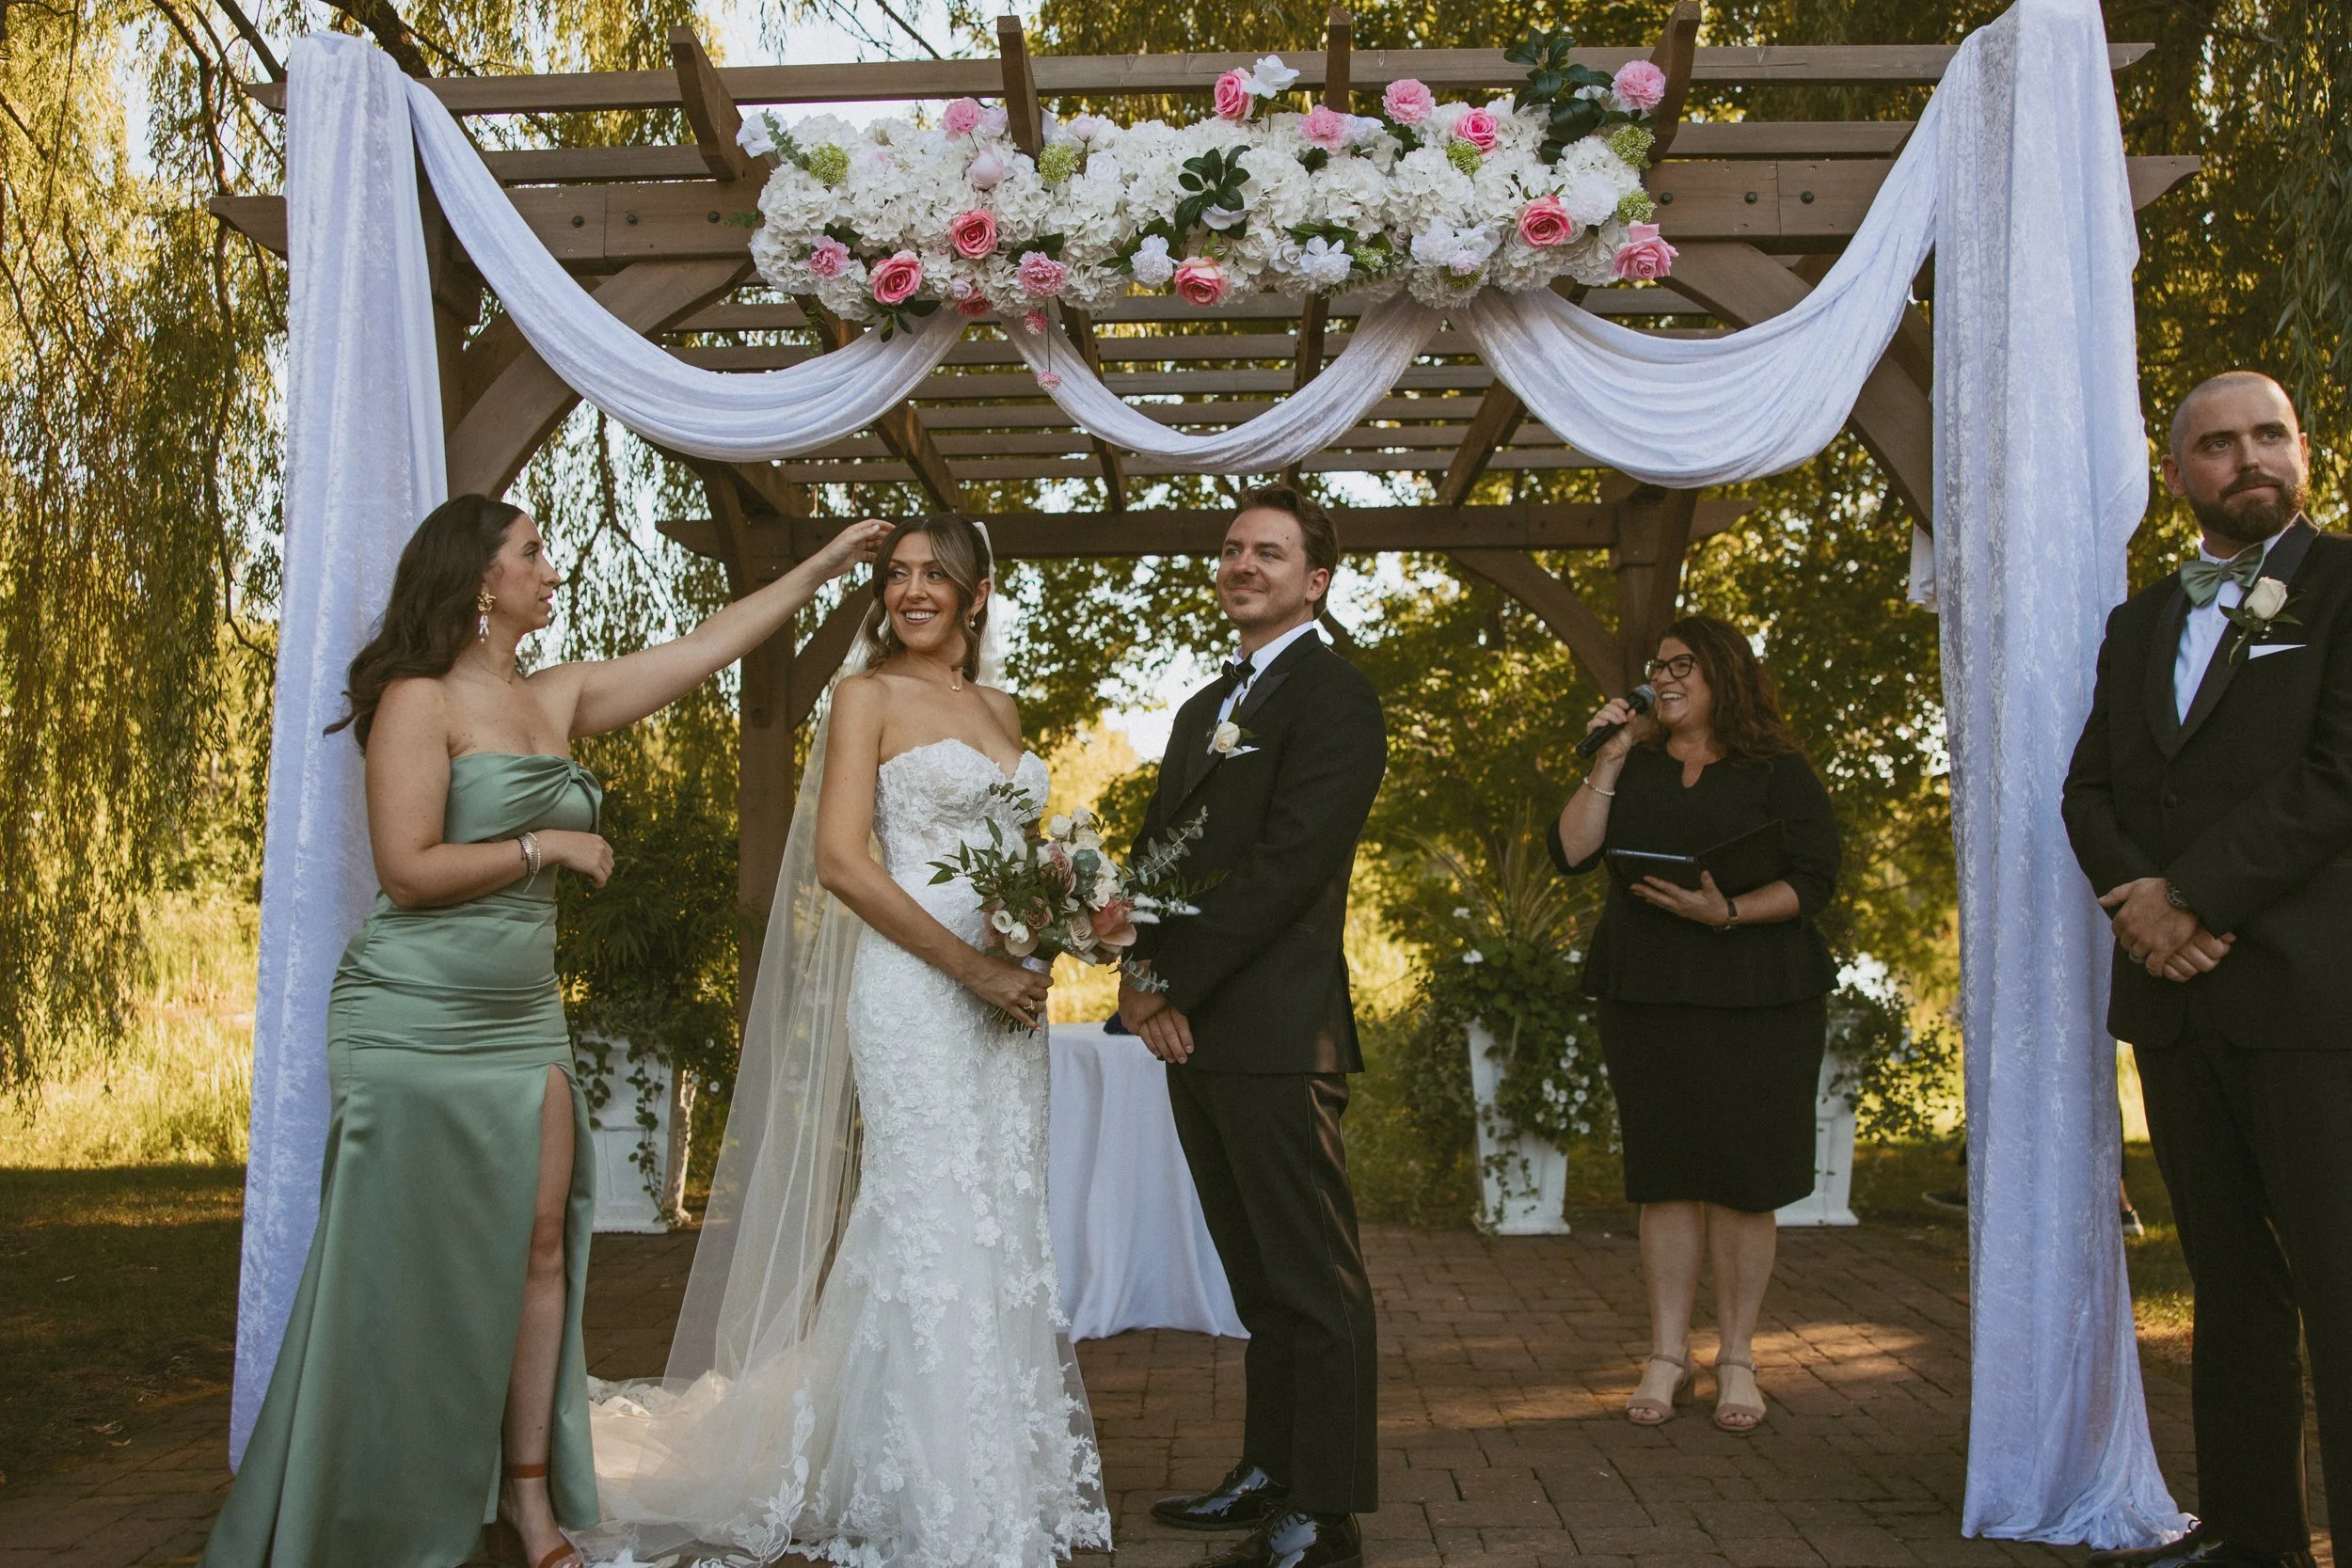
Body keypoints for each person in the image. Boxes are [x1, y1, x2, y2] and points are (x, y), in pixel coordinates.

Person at [200, 495, 889, 1568]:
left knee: (539, 1249)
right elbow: (407, 867)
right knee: (399, 1259)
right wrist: (545, 848)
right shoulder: (417, 702)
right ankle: (373, 1495)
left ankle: (527, 1500)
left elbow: (702, 646)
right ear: (481, 576)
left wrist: (825, 571)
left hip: (521, 1015)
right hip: (411, 1013)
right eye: (533, 551)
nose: (551, 567)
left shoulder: (553, 695)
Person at [584, 515, 1110, 1568]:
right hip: (920, 990)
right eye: (898, 573)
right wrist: (971, 964)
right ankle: (932, 1487)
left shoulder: (1001, 707)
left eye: (935, 573)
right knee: (928, 1212)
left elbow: (1018, 855)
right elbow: (840, 861)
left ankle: (988, 1463)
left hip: (1007, 1003)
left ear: (975, 590)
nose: (913, 588)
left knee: (998, 1218)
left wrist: (1059, 912)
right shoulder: (863, 694)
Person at [2064, 372, 2351, 1568]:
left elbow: (2333, 774)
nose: (2249, 457)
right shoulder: (2139, 622)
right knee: (2230, 1285)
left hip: (2309, 999)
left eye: (2269, 434)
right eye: (2218, 442)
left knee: (2339, 1283)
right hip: (2178, 1009)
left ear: (2303, 450)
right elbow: (2090, 787)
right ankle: (2250, 1532)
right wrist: (2144, 911)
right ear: (2174, 470)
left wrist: (2190, 896)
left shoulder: (2343, 588)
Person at [1118, 485, 1386, 1568]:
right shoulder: (1199, 708)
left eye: (1267, 552)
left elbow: (1286, 868)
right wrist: (1137, 973)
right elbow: (1152, 854)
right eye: (1231, 548)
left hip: (1278, 1032)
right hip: (1195, 1031)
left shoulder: (1335, 699)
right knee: (1257, 1277)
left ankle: (1325, 1514)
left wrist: (1172, 980)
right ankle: (1269, 1471)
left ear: (1313, 579)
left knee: (1314, 1278)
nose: (1241, 564)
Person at [1549, 616, 1841, 1435]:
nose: (1663, 678)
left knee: (1745, 1177)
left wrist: (1731, 910)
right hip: (1648, 992)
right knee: (1667, 1169)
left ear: (1723, 674)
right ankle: (1667, 1353)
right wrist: (1608, 756)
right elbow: (1570, 853)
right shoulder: (1632, 766)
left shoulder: (1776, 769)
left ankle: (1739, 1356)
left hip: (1760, 991)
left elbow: (1816, 877)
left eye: (1681, 664)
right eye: (1656, 666)